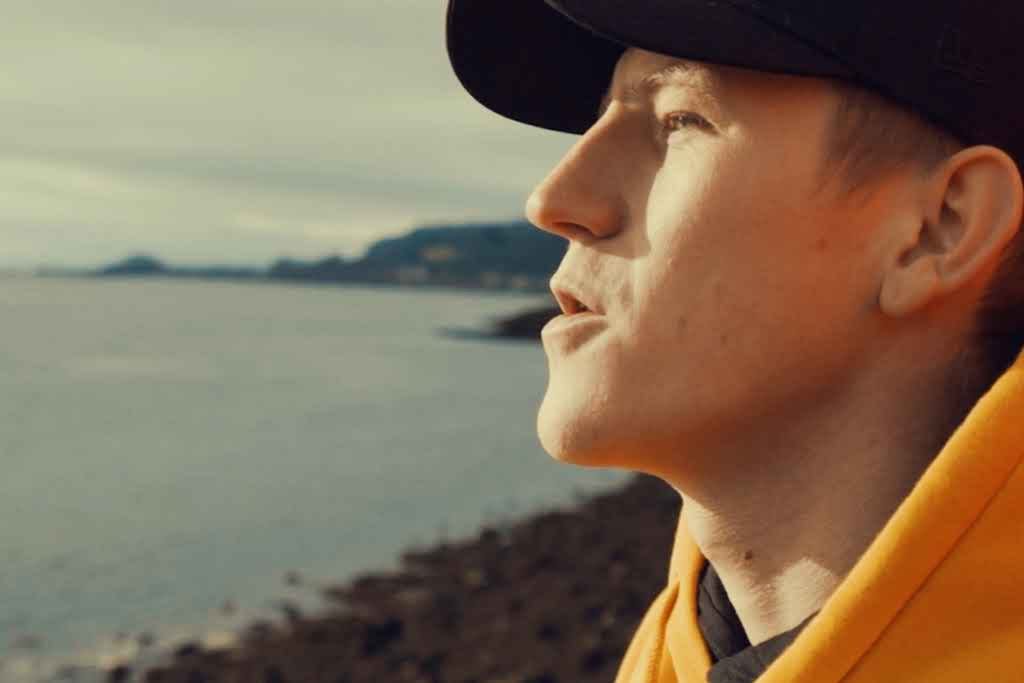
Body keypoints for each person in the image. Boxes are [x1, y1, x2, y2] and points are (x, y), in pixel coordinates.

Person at [447, 2, 1024, 682]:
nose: (552, 199)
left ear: (940, 228)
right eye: (599, 118)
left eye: (678, 120)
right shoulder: (675, 649)